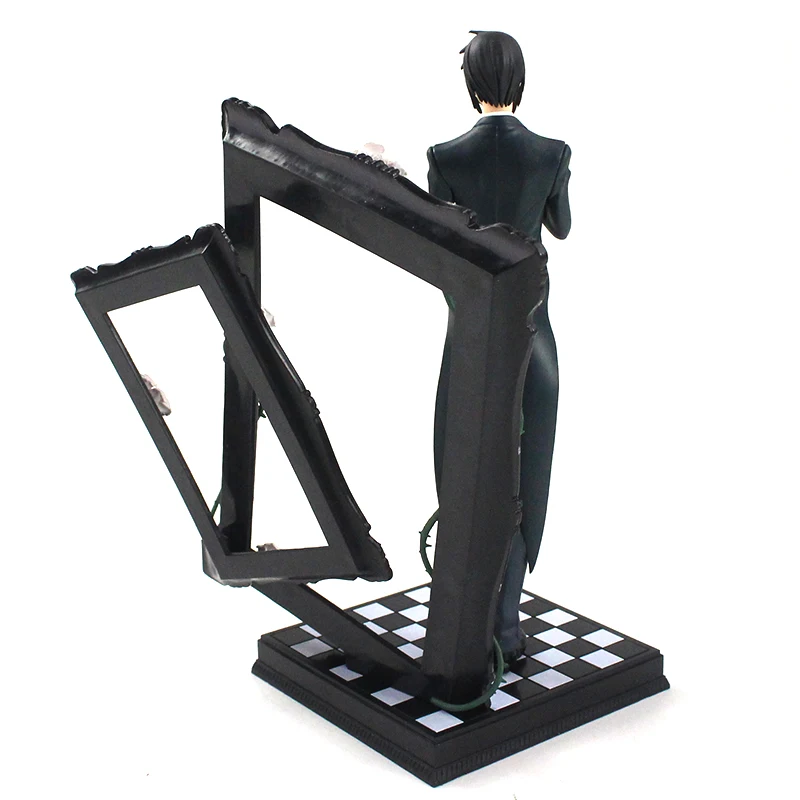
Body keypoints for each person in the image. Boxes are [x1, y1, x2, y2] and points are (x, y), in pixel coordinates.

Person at [428, 30, 572, 663]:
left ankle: (469, 621)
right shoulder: (551, 154)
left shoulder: (445, 157)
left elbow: (437, 249)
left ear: (470, 82)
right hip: (533, 340)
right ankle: (507, 627)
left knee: (463, 476)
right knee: (522, 481)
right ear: (520, 77)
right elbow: (562, 226)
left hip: (469, 339)